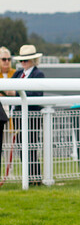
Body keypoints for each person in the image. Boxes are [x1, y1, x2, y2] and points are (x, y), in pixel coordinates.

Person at [12, 45, 45, 185]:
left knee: (31, 145)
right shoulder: (18, 74)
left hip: (32, 117)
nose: (23, 63)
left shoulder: (38, 75)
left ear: (33, 60)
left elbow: (37, 94)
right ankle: (29, 176)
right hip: (18, 115)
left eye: (26, 60)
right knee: (21, 146)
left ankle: (35, 177)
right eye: (22, 61)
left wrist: (17, 93)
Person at [0, 47, 15, 163]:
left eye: (9, 59)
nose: (6, 62)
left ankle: (9, 172)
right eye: (3, 59)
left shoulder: (15, 73)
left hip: (12, 114)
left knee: (9, 145)